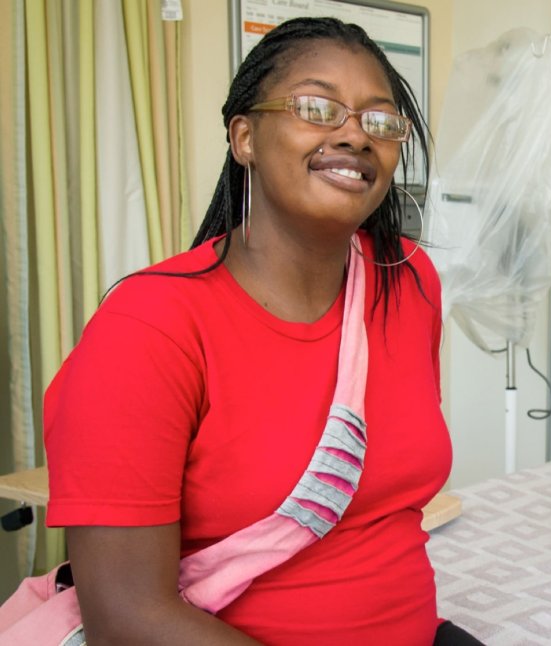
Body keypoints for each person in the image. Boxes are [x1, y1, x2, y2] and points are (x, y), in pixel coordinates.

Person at [44, 17, 481, 645]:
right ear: (244, 137)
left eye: (380, 120)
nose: (356, 134)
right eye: (317, 107)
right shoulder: (147, 330)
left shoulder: (408, 279)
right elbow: (126, 620)